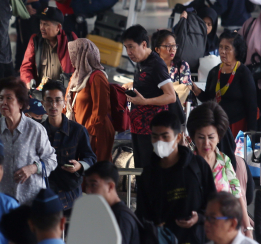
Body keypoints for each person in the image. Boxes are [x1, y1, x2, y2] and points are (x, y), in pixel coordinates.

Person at [137, 111, 217, 244]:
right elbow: (142, 214)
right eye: (155, 137)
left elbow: (213, 203)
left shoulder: (197, 167)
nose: (160, 142)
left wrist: (199, 217)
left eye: (165, 136)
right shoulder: (148, 175)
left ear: (178, 137)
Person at [0, 77, 57, 204]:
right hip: (3, 201)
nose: (3, 102)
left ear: (20, 103)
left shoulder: (35, 130)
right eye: (1, 98)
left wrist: (33, 168)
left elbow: (52, 160)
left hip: (30, 201)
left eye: (9, 98)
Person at [187, 101, 252, 231]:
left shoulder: (224, 161)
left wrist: (248, 228)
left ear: (219, 137)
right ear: (193, 137)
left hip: (226, 229)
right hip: (197, 230)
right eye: (201, 137)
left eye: (211, 137)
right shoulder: (188, 164)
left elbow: (237, 194)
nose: (206, 143)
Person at [121, 25, 176, 168]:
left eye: (131, 47)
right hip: (137, 127)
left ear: (144, 44)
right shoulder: (140, 62)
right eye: (126, 47)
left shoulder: (156, 64)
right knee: (140, 172)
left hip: (152, 131)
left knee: (151, 173)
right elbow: (150, 83)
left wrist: (145, 101)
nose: (129, 52)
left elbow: (171, 96)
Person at [41, 81, 96, 212]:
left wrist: (80, 165)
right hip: (45, 195)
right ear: (43, 104)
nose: (53, 105)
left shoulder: (77, 130)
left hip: (70, 196)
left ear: (64, 103)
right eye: (49, 100)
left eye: (57, 100)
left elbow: (91, 158)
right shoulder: (38, 131)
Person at [66, 38, 115, 162]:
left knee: (94, 171)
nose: (71, 57)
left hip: (95, 134)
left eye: (74, 53)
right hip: (79, 132)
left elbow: (100, 110)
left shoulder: (98, 77)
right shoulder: (76, 76)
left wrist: (89, 135)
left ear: (82, 55)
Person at [202, 31, 257, 134]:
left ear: (237, 51)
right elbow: (208, 99)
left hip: (237, 126)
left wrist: (251, 134)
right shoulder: (214, 72)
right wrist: (196, 90)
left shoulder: (243, 73)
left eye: (227, 48)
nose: (222, 51)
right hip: (217, 126)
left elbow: (252, 106)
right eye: (221, 47)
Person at [83, 161, 140, 244]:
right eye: (87, 185)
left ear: (110, 186)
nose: (88, 191)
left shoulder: (121, 217)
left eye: (93, 185)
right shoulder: (106, 212)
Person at [20, 6, 75, 88]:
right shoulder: (35, 40)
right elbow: (26, 67)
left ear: (58, 27)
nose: (41, 27)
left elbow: (81, 66)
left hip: (65, 93)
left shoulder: (70, 39)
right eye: (41, 23)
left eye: (46, 24)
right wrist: (29, 82)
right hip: (41, 92)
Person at [153, 28, 200, 109]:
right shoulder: (152, 67)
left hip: (179, 109)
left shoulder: (182, 66)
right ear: (157, 49)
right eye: (168, 46)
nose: (172, 50)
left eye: (174, 46)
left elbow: (185, 90)